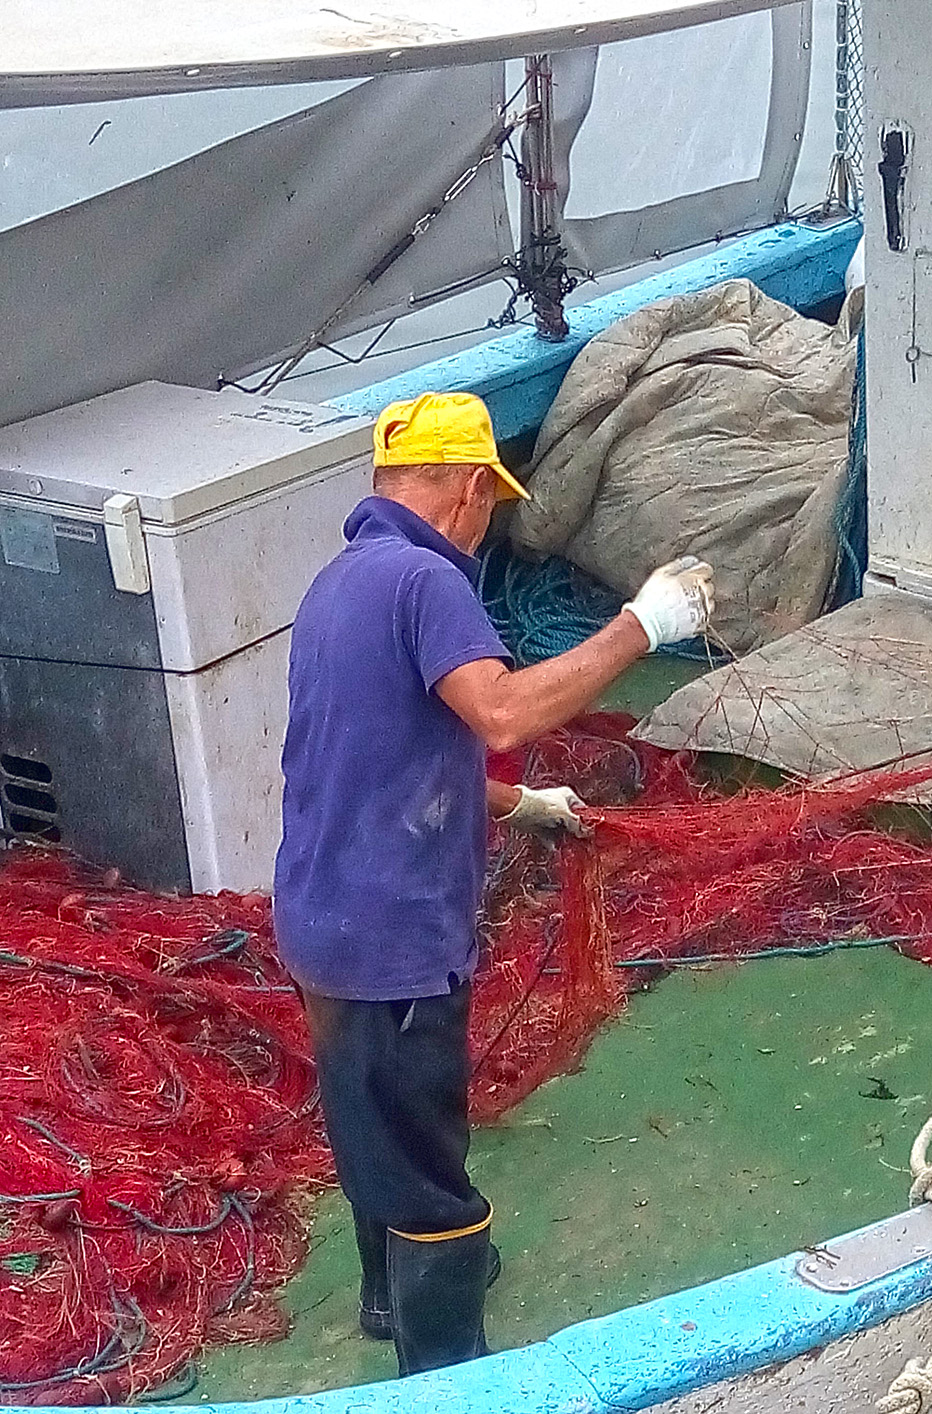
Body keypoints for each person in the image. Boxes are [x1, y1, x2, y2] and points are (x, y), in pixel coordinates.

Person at [273, 391, 714, 1375]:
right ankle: (446, 1369)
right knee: (428, 1160)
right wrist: (643, 624)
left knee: (367, 1117)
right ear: (470, 489)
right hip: (393, 939)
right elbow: (502, 711)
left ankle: (388, 1299)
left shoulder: (335, 586)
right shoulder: (427, 582)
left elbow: (392, 758)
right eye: (488, 504)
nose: (483, 527)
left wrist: (526, 807)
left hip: (319, 920)